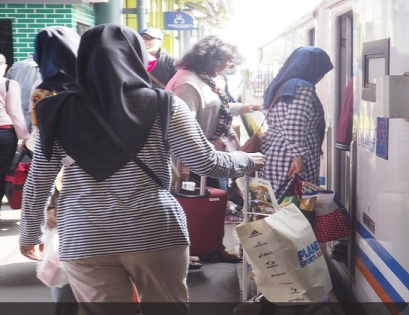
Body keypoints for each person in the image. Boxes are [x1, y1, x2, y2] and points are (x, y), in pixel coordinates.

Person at [18, 24, 264, 315]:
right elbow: (205, 162)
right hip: (154, 231)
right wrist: (250, 160)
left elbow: (38, 183)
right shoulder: (164, 104)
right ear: (136, 56)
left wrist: (29, 234)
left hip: (86, 237)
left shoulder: (54, 109)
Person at [166, 35, 260, 261]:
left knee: (213, 202)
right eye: (224, 60)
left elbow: (215, 108)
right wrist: (185, 164)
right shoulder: (187, 84)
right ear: (208, 58)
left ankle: (210, 246)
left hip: (206, 151)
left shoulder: (205, 79)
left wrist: (248, 107)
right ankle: (190, 250)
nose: (227, 65)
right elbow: (179, 127)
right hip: (191, 156)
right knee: (189, 206)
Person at [30, 26, 81, 315]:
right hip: (111, 186)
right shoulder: (99, 84)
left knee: (68, 262)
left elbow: (44, 150)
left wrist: (50, 204)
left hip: (67, 189)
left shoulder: (44, 91)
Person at [259, 46, 334, 198]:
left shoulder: (280, 84)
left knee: (274, 201)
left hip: (275, 150)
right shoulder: (303, 87)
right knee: (296, 203)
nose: (320, 78)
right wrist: (298, 157)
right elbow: (294, 124)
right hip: (290, 156)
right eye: (321, 72)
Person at [0, 51, 29, 225]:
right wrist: (24, 137)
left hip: (2, 132)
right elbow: (15, 112)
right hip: (3, 132)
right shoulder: (8, 84)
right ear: (0, 66)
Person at [5, 56, 40, 133]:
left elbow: (6, 91)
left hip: (18, 113)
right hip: (37, 114)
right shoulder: (50, 67)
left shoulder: (16, 66)